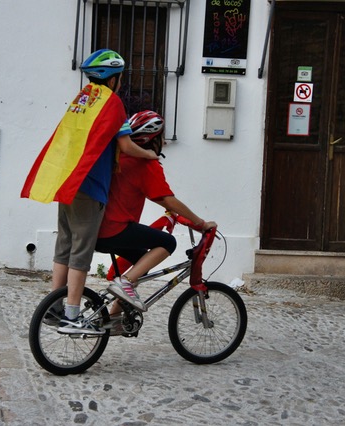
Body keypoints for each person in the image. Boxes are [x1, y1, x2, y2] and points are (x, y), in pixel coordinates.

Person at [21, 49, 158, 335]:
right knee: (81, 252)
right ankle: (71, 313)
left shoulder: (82, 100)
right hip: (91, 185)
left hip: (67, 182)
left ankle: (52, 309)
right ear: (114, 78)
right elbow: (125, 146)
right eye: (120, 77)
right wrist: (148, 155)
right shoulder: (112, 103)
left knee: (65, 245)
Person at [95, 110, 217, 313]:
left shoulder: (119, 155)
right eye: (162, 137)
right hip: (116, 229)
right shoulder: (145, 164)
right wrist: (200, 223)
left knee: (141, 262)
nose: (165, 142)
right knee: (168, 242)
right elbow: (168, 201)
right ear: (152, 139)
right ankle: (125, 283)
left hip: (98, 231)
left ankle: (114, 317)